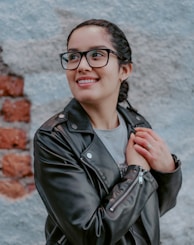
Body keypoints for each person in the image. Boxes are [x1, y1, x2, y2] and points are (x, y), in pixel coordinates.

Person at [34, 19, 182, 245]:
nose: (82, 65)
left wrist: (168, 170)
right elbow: (92, 235)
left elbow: (150, 213)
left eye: (96, 55)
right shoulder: (55, 139)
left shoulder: (137, 125)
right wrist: (138, 174)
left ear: (124, 70)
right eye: (73, 56)